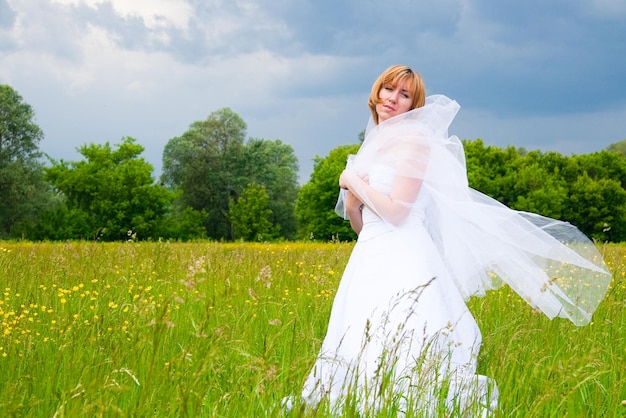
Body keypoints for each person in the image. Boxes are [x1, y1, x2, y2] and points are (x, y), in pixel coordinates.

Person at [295, 65, 611, 416]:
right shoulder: (375, 142)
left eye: (404, 95)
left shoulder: (414, 141)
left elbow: (398, 213)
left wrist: (354, 182)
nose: (392, 99)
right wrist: (354, 203)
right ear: (376, 91)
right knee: (362, 332)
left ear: (414, 105)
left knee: (406, 336)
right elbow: (365, 226)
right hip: (370, 257)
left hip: (406, 256)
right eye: (388, 89)